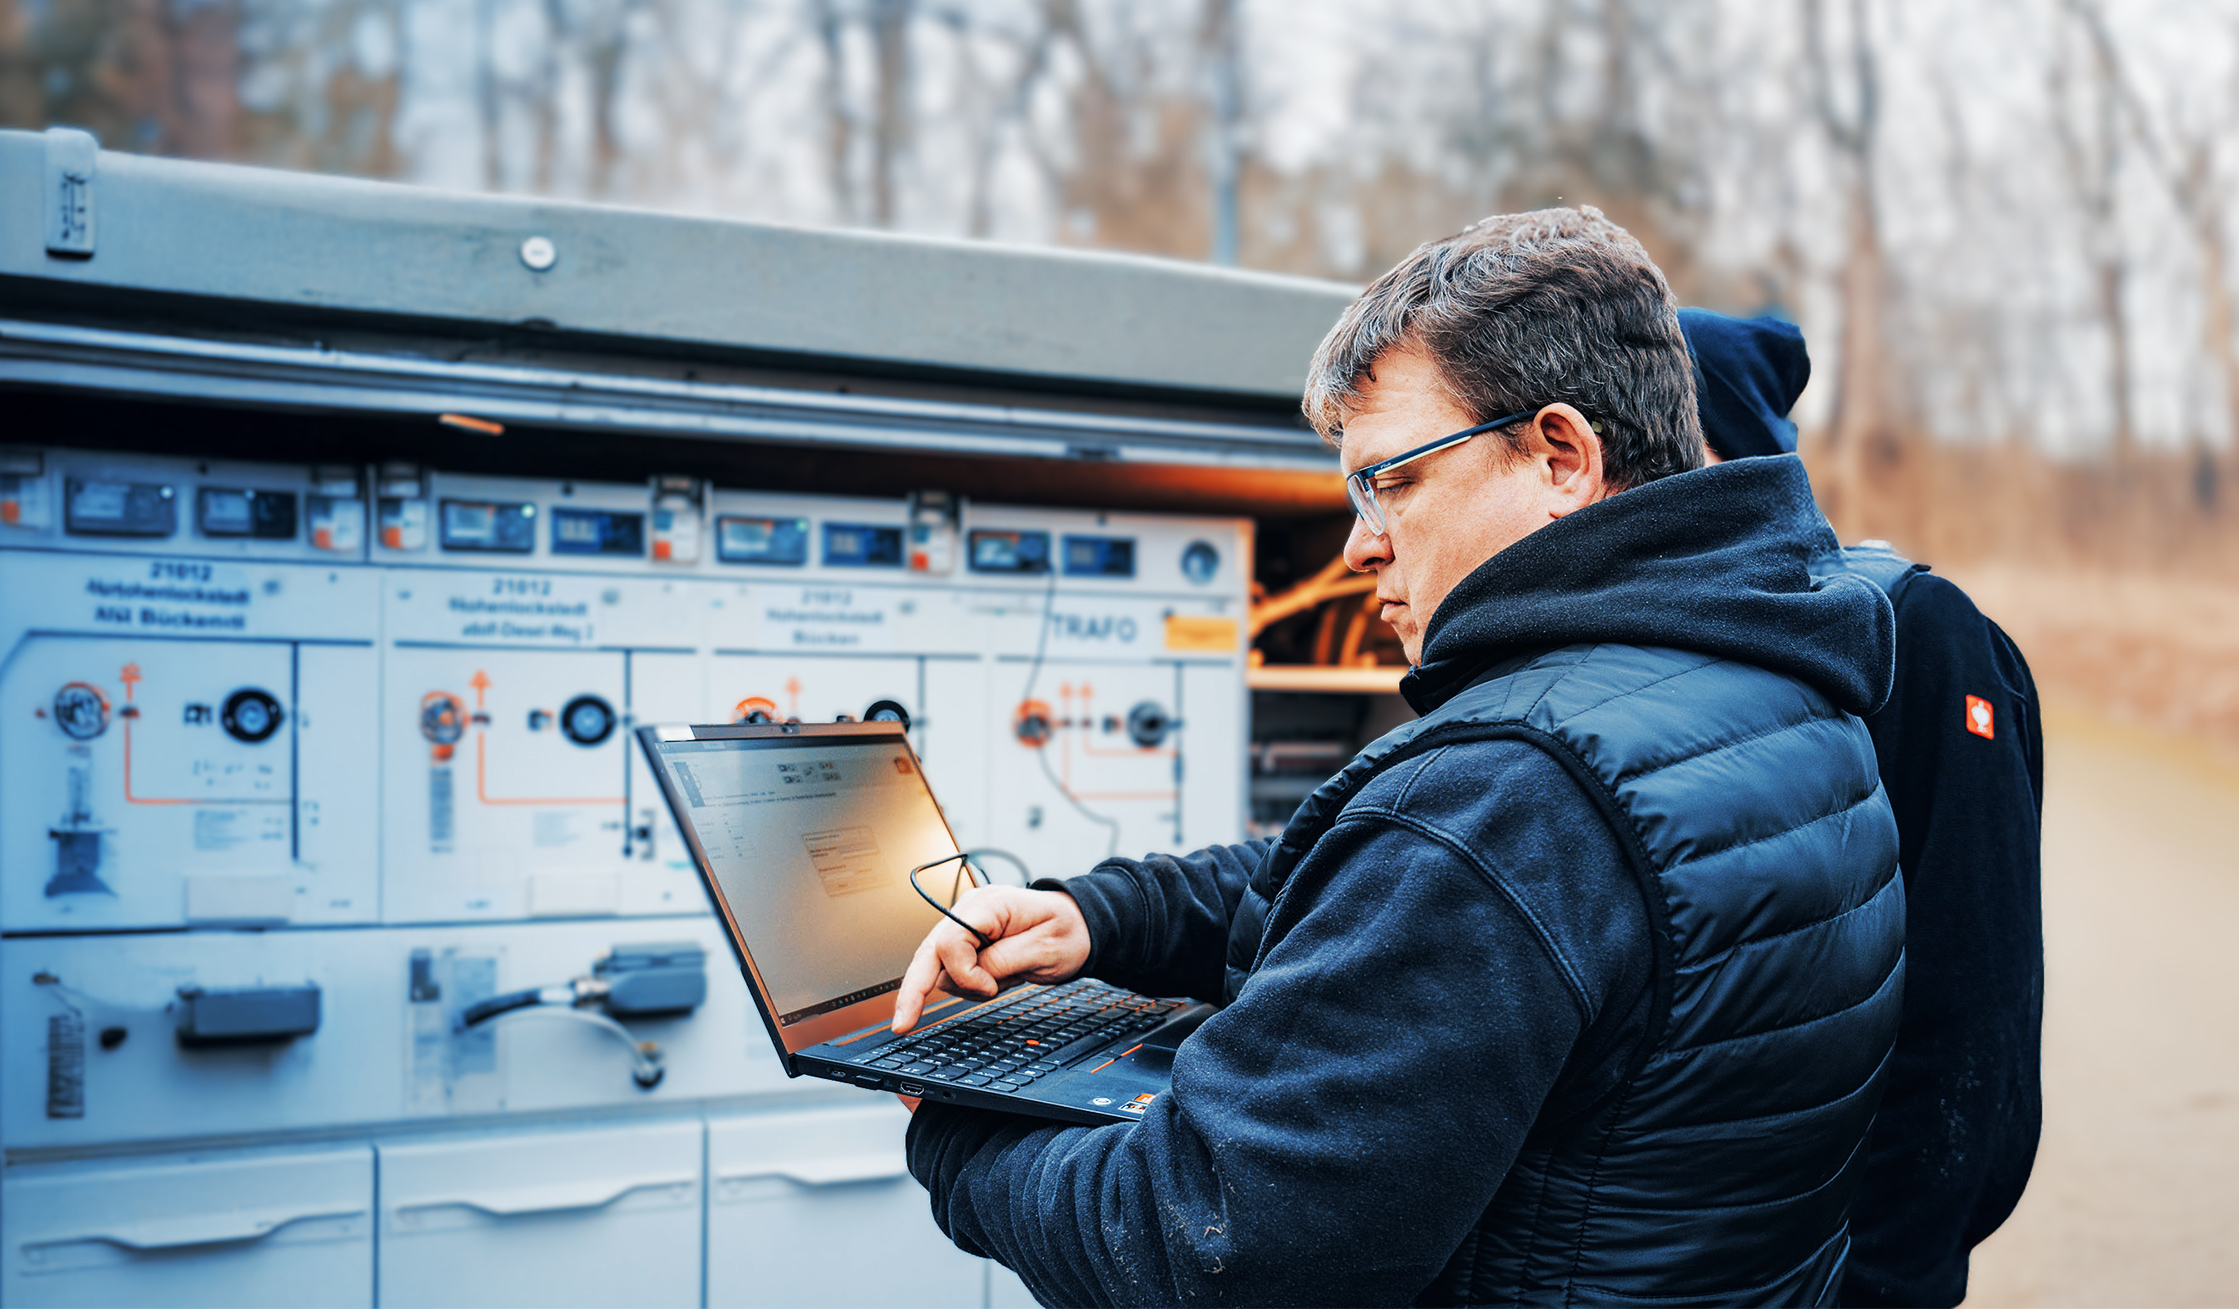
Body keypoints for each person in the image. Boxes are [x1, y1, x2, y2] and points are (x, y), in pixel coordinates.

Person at [895, 207, 1906, 1306]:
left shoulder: (1504, 797)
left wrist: (950, 1124)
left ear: (1559, 454)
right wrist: (1105, 915)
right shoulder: (1773, 686)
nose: (1356, 540)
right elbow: (1392, 888)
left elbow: (1205, 1245)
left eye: (1393, 480)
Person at [1679, 308, 2044, 1309]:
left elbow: (1972, 991)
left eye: (1665, 426)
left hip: (1858, 1263)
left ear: (1738, 450)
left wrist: (1893, 1271)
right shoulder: (1660, 645)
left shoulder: (1913, 629)